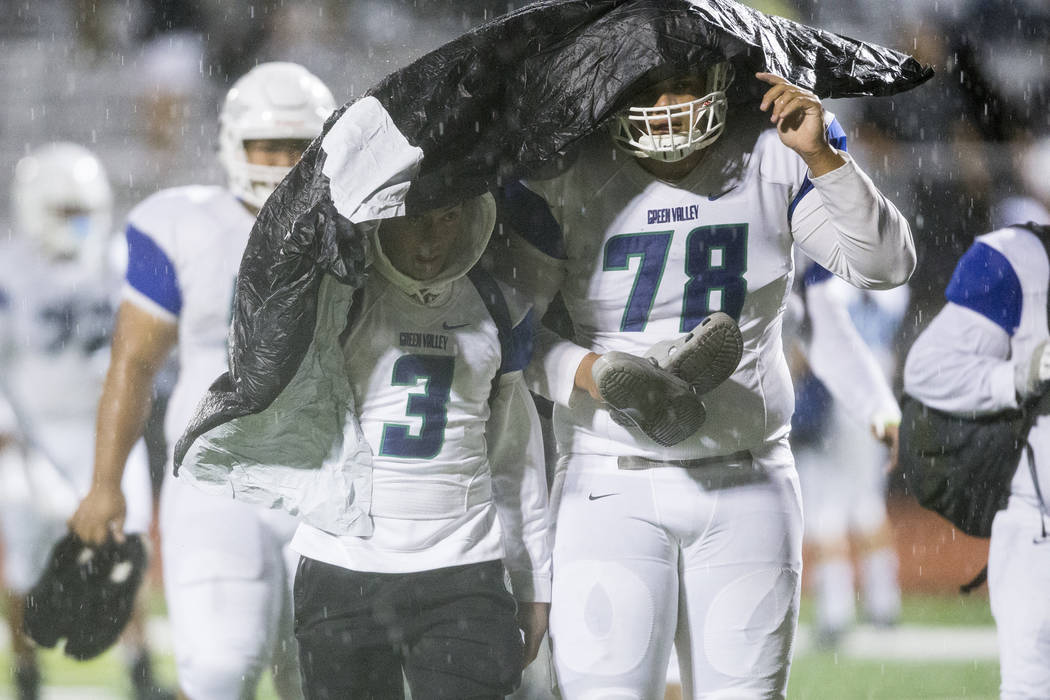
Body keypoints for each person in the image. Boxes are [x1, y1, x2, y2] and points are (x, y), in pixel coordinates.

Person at [489, 64, 915, 697]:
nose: (664, 105)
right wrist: (589, 372)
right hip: (612, 476)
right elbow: (512, 332)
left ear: (720, 71)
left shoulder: (777, 151)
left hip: (748, 474)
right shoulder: (567, 166)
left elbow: (886, 263)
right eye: (642, 85)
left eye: (680, 81)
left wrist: (823, 157)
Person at [68, 62, 336, 700]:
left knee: (324, 679)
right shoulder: (181, 223)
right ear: (230, 143)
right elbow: (134, 363)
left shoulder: (358, 222)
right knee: (221, 668)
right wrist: (106, 485)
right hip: (217, 474)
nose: (281, 161)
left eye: (298, 145)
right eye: (265, 145)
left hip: (328, 479)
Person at [289, 194, 552, 699]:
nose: (431, 239)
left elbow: (513, 458)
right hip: (344, 566)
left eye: (447, 215)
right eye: (415, 219)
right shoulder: (337, 298)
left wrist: (531, 576)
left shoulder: (499, 307)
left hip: (462, 573)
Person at [0, 142, 167, 700]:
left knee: (126, 549)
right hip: (35, 433)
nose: (78, 225)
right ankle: (26, 672)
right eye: (64, 212)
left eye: (83, 211)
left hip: (108, 432)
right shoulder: (9, 269)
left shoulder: (119, 260)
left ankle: (139, 668)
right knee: (27, 563)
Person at [904, 223, 1050, 700]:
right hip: (1039, 525)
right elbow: (930, 372)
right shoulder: (1020, 259)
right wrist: (1018, 377)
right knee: (1031, 686)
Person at [788, 264, 906, 648]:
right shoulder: (891, 278)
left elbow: (815, 346)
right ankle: (883, 604)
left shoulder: (826, 277)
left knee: (825, 506)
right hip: (876, 397)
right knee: (867, 502)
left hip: (836, 396)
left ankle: (836, 612)